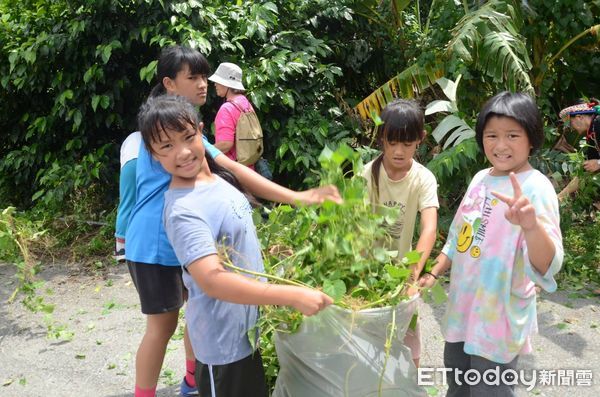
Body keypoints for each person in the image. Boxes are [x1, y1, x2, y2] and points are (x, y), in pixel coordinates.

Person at [115, 45, 342, 397]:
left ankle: (193, 379)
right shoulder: (180, 197)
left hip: (224, 314)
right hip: (154, 246)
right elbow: (213, 281)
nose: (184, 151)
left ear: (199, 131)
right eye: (193, 77)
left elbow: (235, 169)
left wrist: (299, 197)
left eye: (189, 139)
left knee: (197, 314)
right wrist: (289, 296)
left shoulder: (206, 169)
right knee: (162, 327)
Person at [419, 92, 563, 397]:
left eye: (512, 135)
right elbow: (459, 235)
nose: (500, 145)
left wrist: (531, 225)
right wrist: (433, 272)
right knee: (457, 387)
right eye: (492, 135)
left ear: (531, 138)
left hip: (498, 319)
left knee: (489, 390)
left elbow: (547, 265)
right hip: (463, 309)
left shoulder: (536, 188)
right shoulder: (480, 178)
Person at [362, 98, 438, 368]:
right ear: (381, 137)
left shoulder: (423, 178)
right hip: (369, 275)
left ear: (421, 139)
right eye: (392, 143)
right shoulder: (367, 175)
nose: (398, 151)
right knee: (369, 345)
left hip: (404, 274)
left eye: (407, 144)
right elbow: (356, 225)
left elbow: (429, 227)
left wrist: (412, 273)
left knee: (409, 344)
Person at [209, 62, 258, 168]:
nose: (215, 84)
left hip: (232, 170)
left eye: (218, 81)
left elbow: (225, 144)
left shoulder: (227, 108)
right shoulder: (245, 103)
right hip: (248, 167)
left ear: (227, 84)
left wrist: (205, 151)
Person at [557, 98, 600, 200]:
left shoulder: (598, 123)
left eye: (571, 123)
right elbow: (585, 173)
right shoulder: (591, 136)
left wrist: (598, 163)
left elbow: (596, 163)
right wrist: (560, 196)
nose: (572, 128)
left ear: (579, 117)